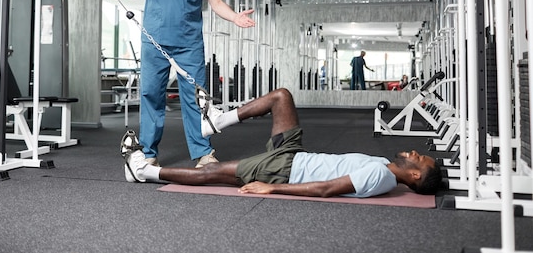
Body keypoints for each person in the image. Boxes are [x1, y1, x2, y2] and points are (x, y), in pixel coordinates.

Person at [106, 0, 255, 168]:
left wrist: (234, 18)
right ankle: (149, 152)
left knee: (196, 97)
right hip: (154, 40)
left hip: (189, 44)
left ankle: (202, 153)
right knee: (151, 94)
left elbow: (216, 2)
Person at [121, 88, 443, 198]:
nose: (416, 154)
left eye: (421, 161)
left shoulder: (381, 177)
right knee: (281, 97)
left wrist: (272, 187)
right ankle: (217, 121)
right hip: (294, 154)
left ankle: (145, 173)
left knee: (213, 172)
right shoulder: (384, 168)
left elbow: (325, 189)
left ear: (414, 176)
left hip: (285, 169)